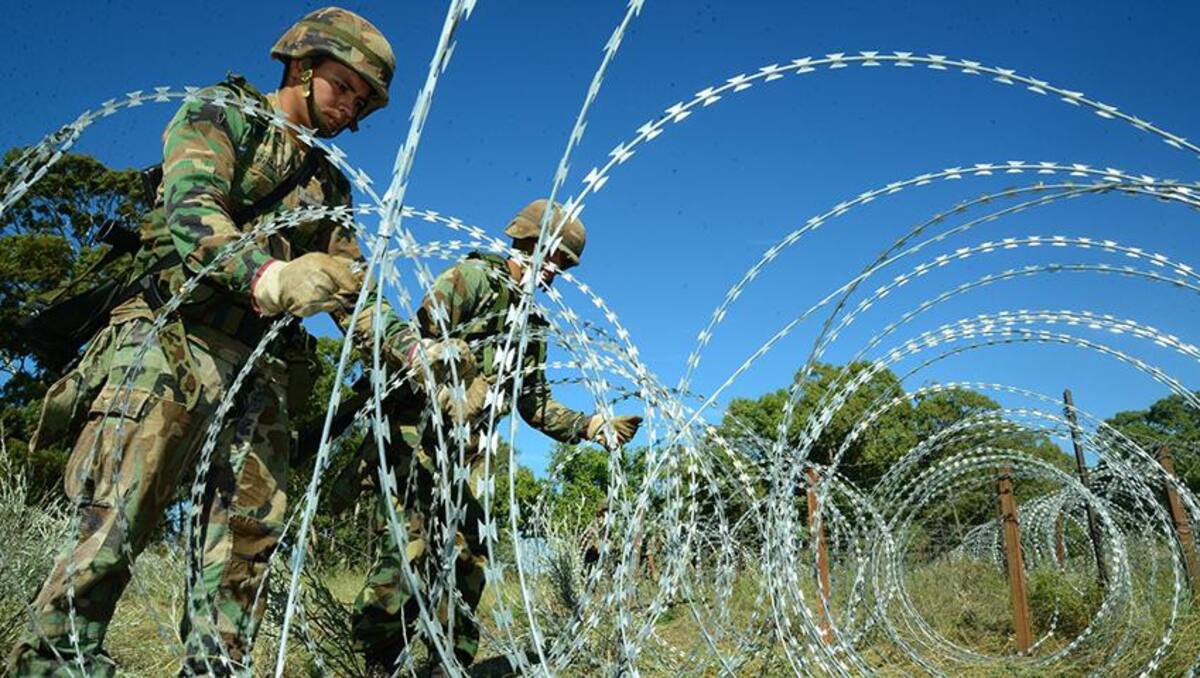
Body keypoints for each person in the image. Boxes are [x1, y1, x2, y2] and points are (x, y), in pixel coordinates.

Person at [8, 7, 408, 676]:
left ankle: (218, 665)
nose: (350, 111)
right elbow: (194, 210)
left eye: (363, 102)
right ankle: (54, 660)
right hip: (171, 342)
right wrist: (271, 275)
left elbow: (356, 293)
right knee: (119, 517)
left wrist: (414, 351)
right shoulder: (223, 115)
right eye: (344, 87)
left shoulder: (328, 185)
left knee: (249, 537)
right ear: (302, 67)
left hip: (258, 367)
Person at [346, 199, 643, 675]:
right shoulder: (473, 279)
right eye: (551, 257)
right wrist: (454, 383)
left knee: (470, 555)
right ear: (525, 241)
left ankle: (448, 661)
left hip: (471, 448)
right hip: (417, 430)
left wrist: (590, 426)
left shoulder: (532, 327)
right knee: (412, 547)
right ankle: (377, 656)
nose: (553, 272)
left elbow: (535, 403)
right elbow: (419, 345)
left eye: (563, 266)